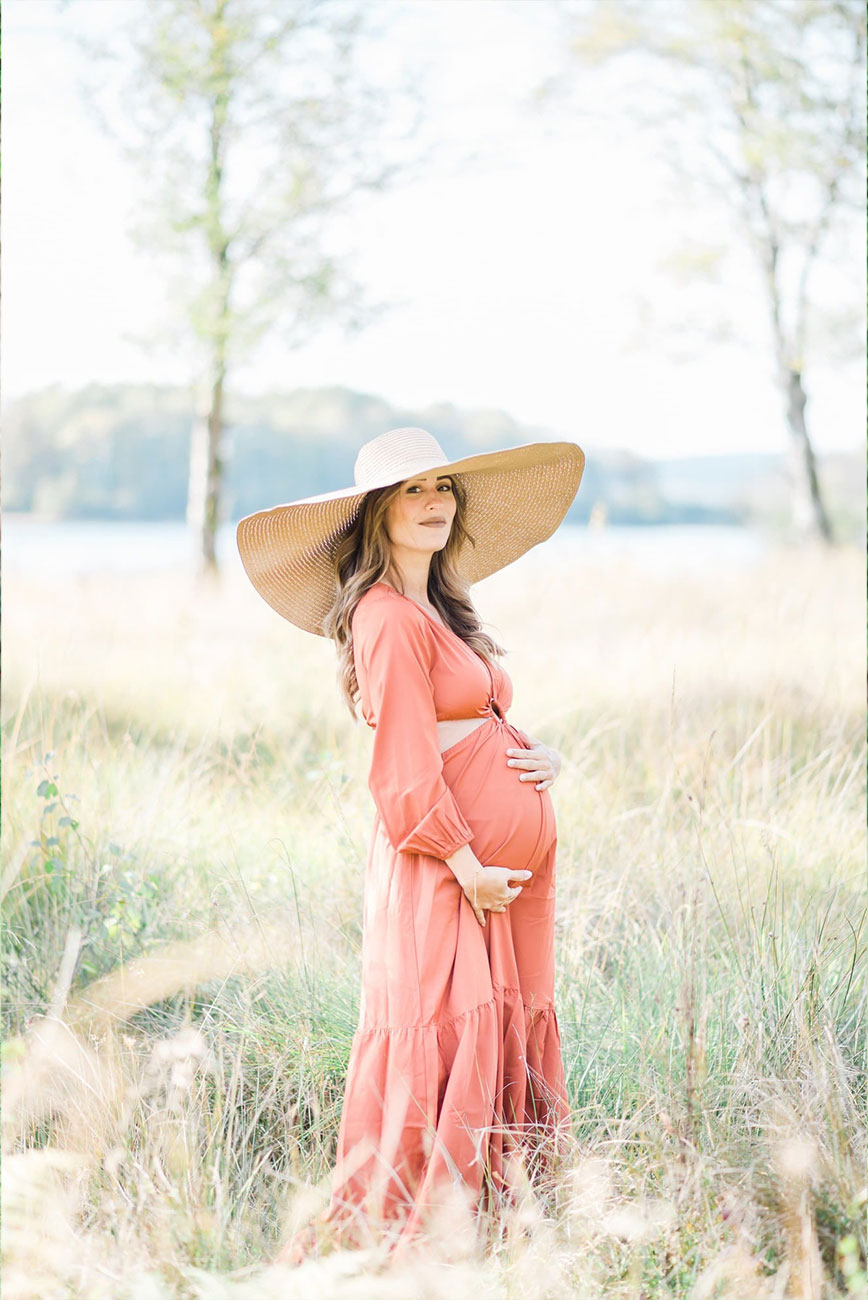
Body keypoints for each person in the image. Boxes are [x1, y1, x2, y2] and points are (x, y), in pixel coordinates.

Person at [236, 426, 585, 1260]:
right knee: (441, 1027)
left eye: (443, 488)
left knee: (492, 1026)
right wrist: (467, 868)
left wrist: (540, 757)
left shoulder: (442, 611)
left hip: (493, 879)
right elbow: (401, 765)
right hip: (446, 870)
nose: (434, 503)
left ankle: (497, 1224)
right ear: (377, 515)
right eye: (412, 491)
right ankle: (417, 1238)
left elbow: (472, 721)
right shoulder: (385, 615)